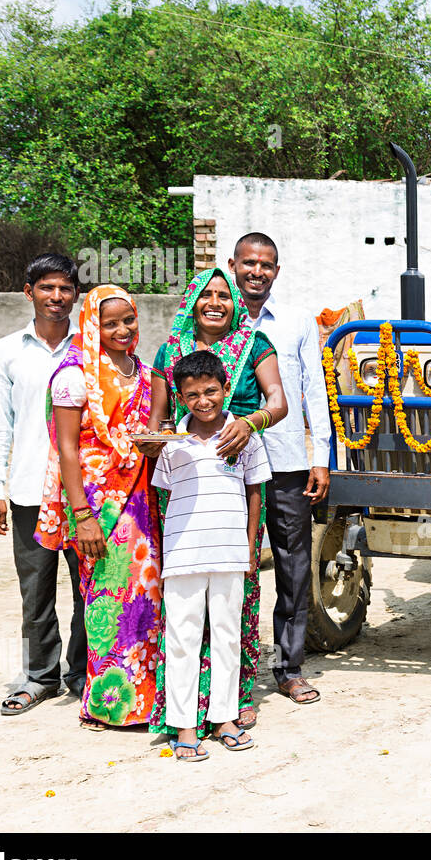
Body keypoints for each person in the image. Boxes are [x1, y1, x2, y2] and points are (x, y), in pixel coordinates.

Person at [146, 267, 288, 733]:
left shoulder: (255, 342)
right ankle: (184, 714)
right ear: (191, 299)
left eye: (223, 295)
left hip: (241, 464)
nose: (215, 302)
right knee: (184, 618)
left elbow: (279, 401)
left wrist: (249, 424)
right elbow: (161, 419)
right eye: (205, 294)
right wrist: (162, 440)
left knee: (233, 609)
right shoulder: (170, 349)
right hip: (187, 483)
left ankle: (233, 701)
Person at [36, 285, 161, 730]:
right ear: (93, 324)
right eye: (111, 324)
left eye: (128, 319)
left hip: (142, 503)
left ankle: (145, 702)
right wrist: (83, 517)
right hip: (98, 509)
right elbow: (66, 450)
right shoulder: (75, 375)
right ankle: (108, 704)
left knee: (144, 601)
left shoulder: (145, 373)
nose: (123, 330)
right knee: (106, 603)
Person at [151, 351, 273, 760]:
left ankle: (224, 717)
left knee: (227, 636)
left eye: (211, 391)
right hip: (184, 553)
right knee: (182, 638)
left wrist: (251, 543)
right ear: (181, 399)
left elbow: (255, 491)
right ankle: (184, 725)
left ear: (225, 388)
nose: (203, 401)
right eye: (191, 395)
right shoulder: (171, 444)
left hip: (231, 551)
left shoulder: (244, 437)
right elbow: (165, 495)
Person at [228, 232, 331, 706]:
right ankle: (232, 671)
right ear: (233, 265)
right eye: (249, 263)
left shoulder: (295, 322)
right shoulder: (215, 320)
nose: (256, 271)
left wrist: (320, 457)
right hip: (226, 465)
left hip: (286, 462)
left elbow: (314, 390)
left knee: (293, 566)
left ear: (276, 271)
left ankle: (288, 667)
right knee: (231, 564)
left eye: (266, 265)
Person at [0, 254, 86, 715]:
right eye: (47, 288)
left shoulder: (92, 350)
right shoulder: (7, 351)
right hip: (28, 490)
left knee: (91, 588)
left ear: (76, 295)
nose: (57, 297)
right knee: (36, 590)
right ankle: (40, 676)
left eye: (65, 288)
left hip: (84, 493)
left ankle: (86, 672)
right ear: (30, 292)